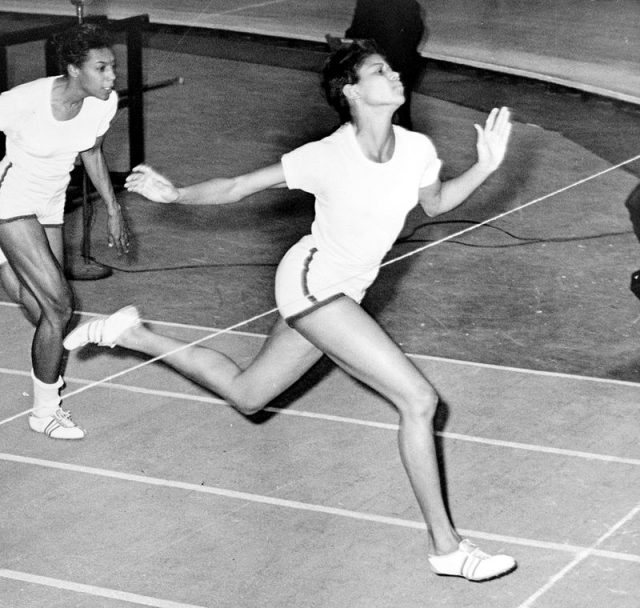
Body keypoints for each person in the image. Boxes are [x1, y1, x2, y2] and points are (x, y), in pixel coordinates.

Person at [64, 40, 516, 580]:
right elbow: (237, 186)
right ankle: (448, 548)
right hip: (309, 282)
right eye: (380, 70)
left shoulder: (417, 148)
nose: (395, 75)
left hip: (346, 292)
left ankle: (133, 334)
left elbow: (436, 202)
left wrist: (486, 166)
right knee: (418, 399)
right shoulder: (326, 155)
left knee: (249, 394)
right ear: (352, 91)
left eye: (393, 69)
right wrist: (177, 194)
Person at [0, 23, 129, 439]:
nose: (112, 77)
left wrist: (112, 208)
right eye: (102, 67)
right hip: (10, 200)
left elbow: (90, 150)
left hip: (50, 205)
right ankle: (45, 410)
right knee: (59, 306)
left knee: (38, 306)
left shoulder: (101, 105)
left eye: (113, 67)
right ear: (74, 69)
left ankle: (6, 260)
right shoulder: (24, 101)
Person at [344, 0, 427, 130]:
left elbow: (356, 30)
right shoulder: (409, 4)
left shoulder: (366, 3)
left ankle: (360, 124)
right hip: (398, 61)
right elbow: (416, 32)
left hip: (386, 60)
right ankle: (402, 121)